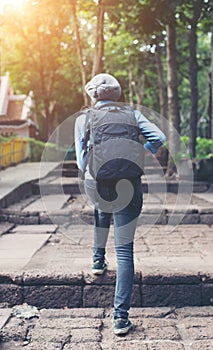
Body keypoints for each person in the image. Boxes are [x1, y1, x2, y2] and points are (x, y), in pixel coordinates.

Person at [74, 73, 166, 335]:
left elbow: (82, 162)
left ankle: (97, 259)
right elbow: (159, 137)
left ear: (94, 95)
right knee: (125, 251)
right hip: (129, 181)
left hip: (98, 183)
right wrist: (138, 153)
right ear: (118, 93)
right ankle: (120, 318)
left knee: (102, 208)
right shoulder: (133, 115)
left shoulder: (84, 118)